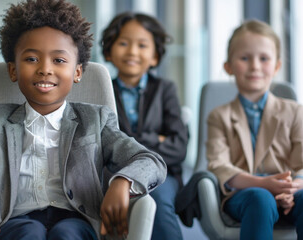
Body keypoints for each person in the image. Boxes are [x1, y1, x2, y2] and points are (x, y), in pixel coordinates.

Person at [0, 1, 166, 240]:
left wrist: (123, 182)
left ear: (77, 72)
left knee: (67, 234)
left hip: (76, 220)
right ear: (13, 70)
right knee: (29, 233)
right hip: (14, 222)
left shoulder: (96, 120)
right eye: (31, 59)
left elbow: (150, 161)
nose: (45, 69)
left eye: (59, 60)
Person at [206, 19, 303, 240]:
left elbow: (301, 164)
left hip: (290, 194)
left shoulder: (296, 112)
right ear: (228, 67)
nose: (255, 66)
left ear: (277, 66)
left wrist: (291, 187)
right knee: (260, 198)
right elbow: (219, 166)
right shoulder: (219, 116)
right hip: (244, 195)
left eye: (264, 59)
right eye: (244, 58)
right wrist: (264, 184)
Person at [100, 12, 188, 240]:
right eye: (123, 43)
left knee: (156, 200)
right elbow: (100, 144)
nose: (132, 51)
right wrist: (154, 138)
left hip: (163, 175)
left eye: (142, 45)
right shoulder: (101, 91)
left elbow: (178, 146)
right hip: (113, 174)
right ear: (109, 51)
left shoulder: (165, 89)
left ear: (155, 57)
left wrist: (131, 142)